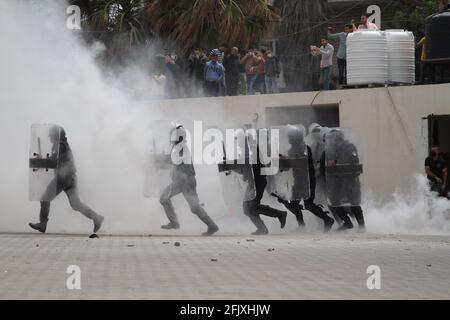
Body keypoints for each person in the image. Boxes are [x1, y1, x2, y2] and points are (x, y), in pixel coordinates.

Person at [29, 125, 104, 234]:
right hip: (69, 178)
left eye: (51, 136)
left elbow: (54, 161)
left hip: (63, 179)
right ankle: (96, 218)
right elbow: (55, 161)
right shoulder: (61, 145)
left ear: (56, 136)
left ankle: (43, 224)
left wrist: (41, 161)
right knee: (75, 204)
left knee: (45, 198)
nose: (50, 139)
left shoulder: (61, 145)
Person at [160, 125, 219, 236]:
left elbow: (174, 162)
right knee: (194, 207)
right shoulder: (180, 147)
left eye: (171, 136)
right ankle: (212, 226)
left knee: (164, 198)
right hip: (187, 180)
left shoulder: (180, 148)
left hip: (183, 181)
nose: (170, 138)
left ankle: (174, 222)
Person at [275, 126, 335, 232]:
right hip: (299, 181)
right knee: (293, 204)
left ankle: (327, 220)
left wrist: (286, 161)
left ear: (297, 138)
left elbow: (301, 163)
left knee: (308, 205)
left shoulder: (305, 148)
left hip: (307, 180)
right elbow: (292, 166)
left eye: (292, 138)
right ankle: (302, 225)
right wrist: (283, 162)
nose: (290, 140)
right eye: (290, 138)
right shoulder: (292, 150)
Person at [320, 129, 365, 232]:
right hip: (338, 183)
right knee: (334, 202)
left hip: (350, 181)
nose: (333, 141)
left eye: (334, 139)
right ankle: (348, 223)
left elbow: (355, 164)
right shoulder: (328, 153)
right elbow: (324, 170)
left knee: (354, 203)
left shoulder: (350, 148)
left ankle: (362, 226)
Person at [242, 136, 287, 235]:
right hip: (254, 182)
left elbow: (250, 167)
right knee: (248, 208)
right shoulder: (251, 150)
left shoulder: (252, 150)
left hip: (257, 182)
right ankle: (266, 225)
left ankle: (278, 215)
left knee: (249, 207)